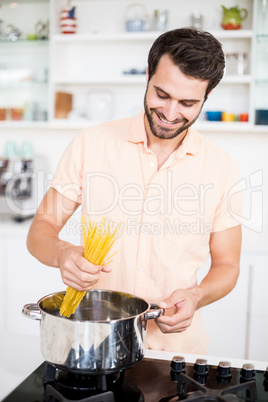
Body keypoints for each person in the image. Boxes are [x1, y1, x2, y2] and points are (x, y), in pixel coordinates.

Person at [27, 27, 242, 354]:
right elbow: (40, 230)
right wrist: (62, 254)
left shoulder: (221, 167)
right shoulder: (91, 143)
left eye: (187, 103)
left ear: (207, 97)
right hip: (93, 344)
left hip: (175, 351)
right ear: (147, 76)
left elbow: (227, 265)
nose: (171, 114)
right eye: (162, 95)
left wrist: (197, 296)